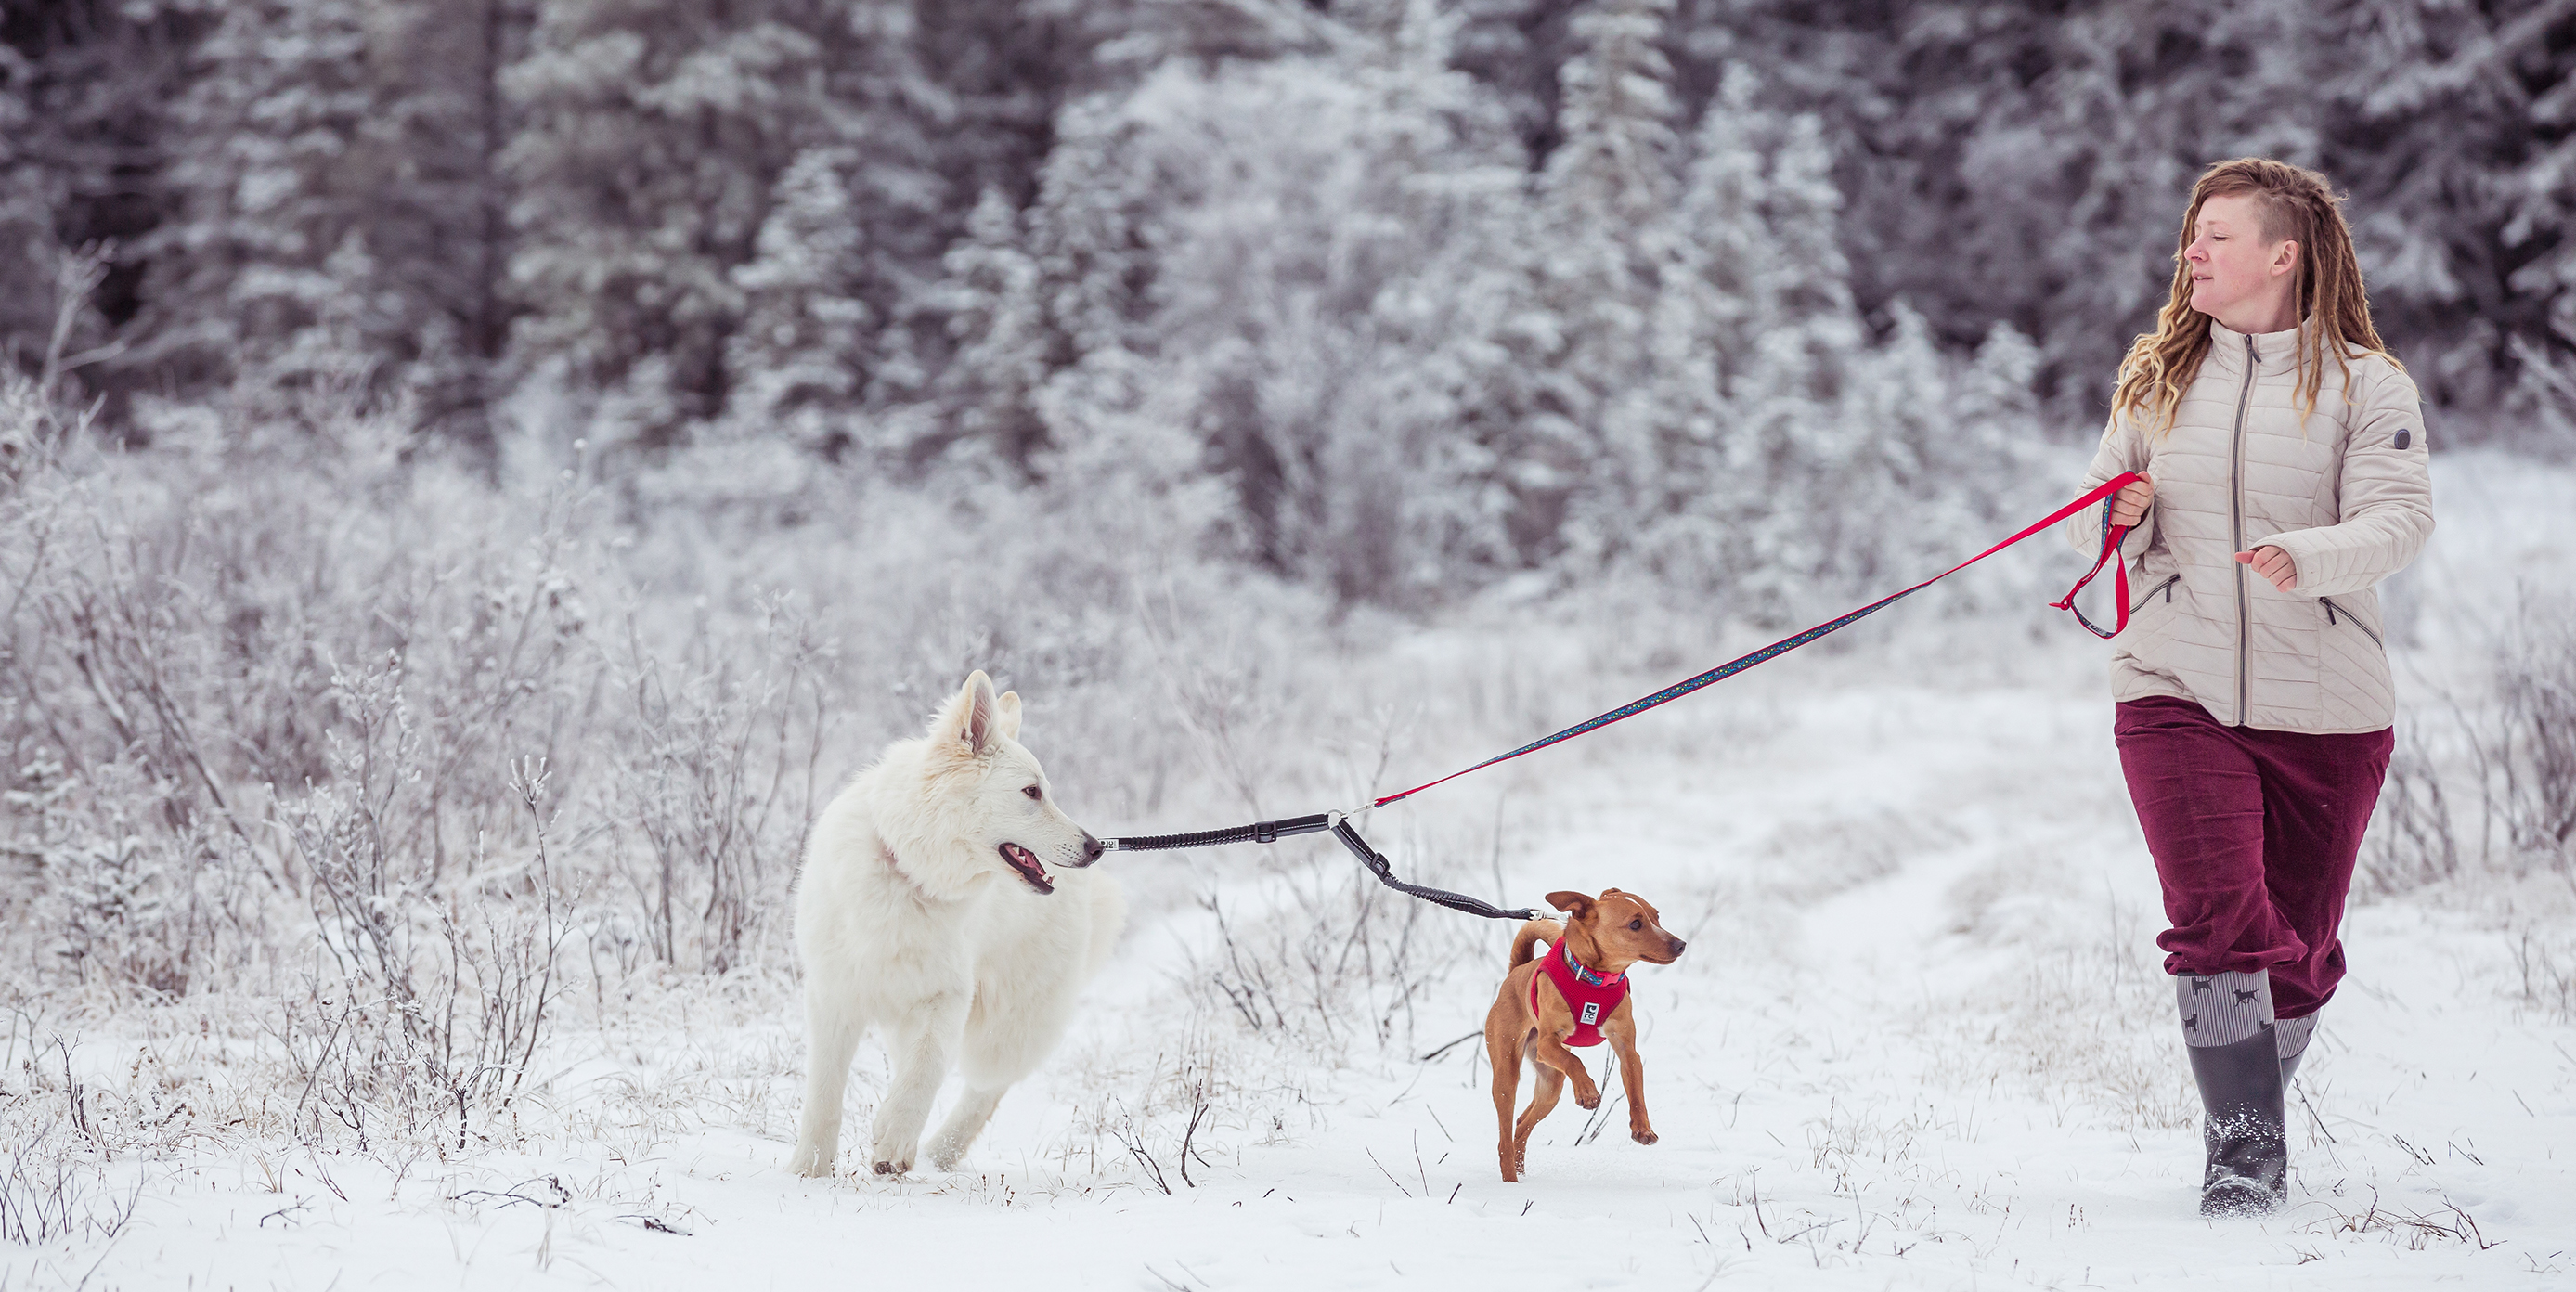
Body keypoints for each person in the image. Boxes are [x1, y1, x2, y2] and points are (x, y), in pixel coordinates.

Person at [2066, 158, 2434, 1217]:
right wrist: (2119, 509)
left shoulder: (2369, 383)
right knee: (2218, 918)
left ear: (2285, 253)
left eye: (2216, 236)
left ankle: (2246, 1104)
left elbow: (2400, 519)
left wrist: (2308, 555)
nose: (2193, 252)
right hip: (2171, 683)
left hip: (2326, 701)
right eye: (2193, 234)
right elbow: (2100, 493)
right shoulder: (2156, 377)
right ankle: (2242, 1160)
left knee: (2300, 954)